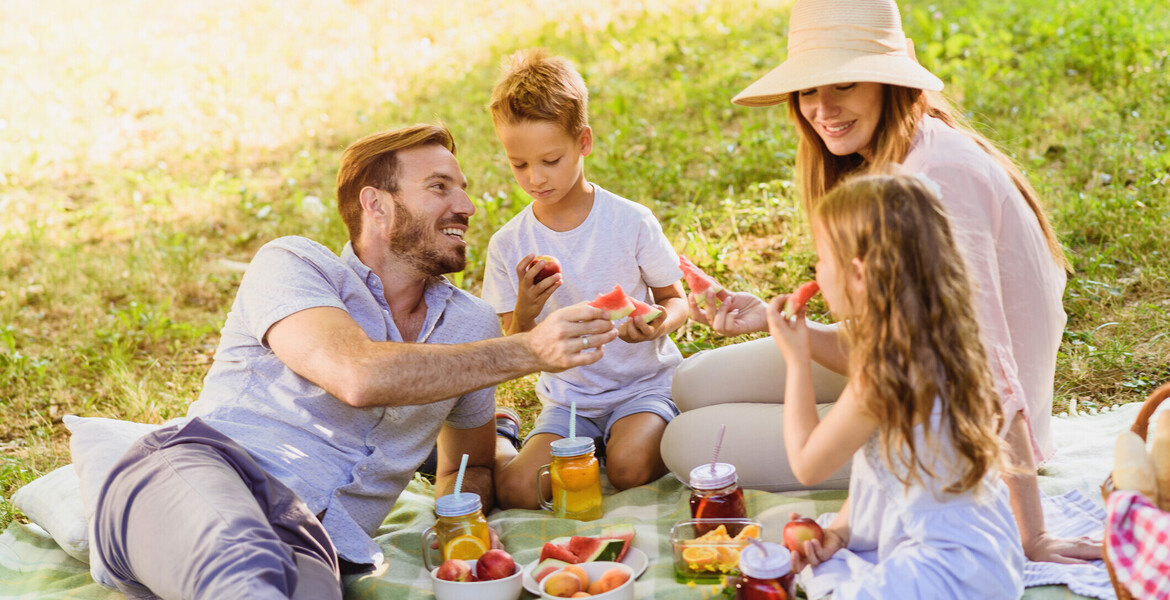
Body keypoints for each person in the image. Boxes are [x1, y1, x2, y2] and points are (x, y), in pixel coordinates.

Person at [88, 123, 619, 599]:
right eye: (440, 187)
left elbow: (468, 466)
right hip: (208, 472)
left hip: (319, 541)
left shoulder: (470, 326)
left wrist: (464, 521)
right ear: (377, 204)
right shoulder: (295, 264)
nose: (467, 206)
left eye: (463, 189)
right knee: (247, 576)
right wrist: (528, 348)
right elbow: (357, 374)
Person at [660, 0, 1100, 563]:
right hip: (912, 377)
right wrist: (778, 327)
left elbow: (988, 370)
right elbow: (903, 338)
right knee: (692, 383)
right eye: (809, 91)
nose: (823, 108)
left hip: (965, 435)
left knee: (685, 441)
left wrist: (1031, 534)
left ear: (888, 82)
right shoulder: (893, 157)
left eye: (844, 84)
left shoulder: (940, 178)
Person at [772, 171, 1024, 598]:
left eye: (821, 258)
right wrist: (841, 532)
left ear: (857, 273)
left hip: (942, 570)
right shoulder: (938, 338)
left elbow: (806, 464)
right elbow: (887, 470)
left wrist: (796, 361)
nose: (816, 270)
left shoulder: (880, 374)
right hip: (985, 552)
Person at [482, 48, 689, 507]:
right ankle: (507, 437)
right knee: (517, 490)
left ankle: (621, 443)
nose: (535, 177)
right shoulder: (508, 244)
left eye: (550, 160)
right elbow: (512, 345)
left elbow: (678, 302)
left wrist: (655, 323)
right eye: (519, 164)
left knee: (629, 468)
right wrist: (526, 310)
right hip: (569, 402)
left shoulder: (630, 220)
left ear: (584, 142)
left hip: (642, 385)